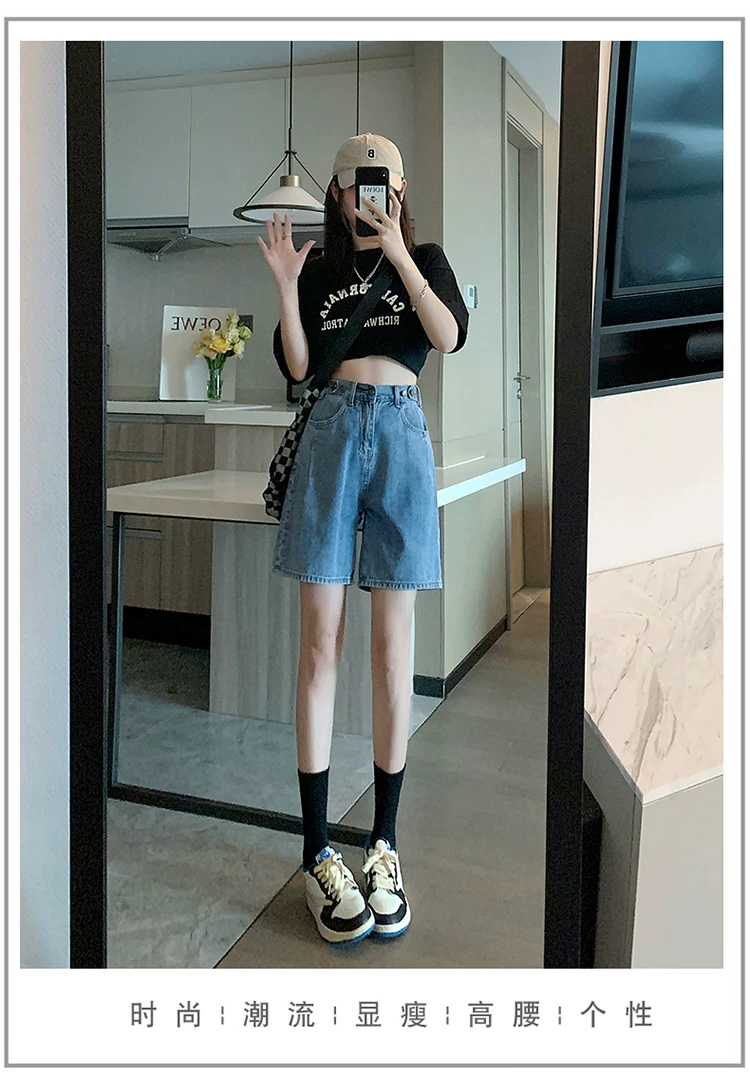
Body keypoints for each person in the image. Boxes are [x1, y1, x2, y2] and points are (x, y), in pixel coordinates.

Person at [258, 133, 469, 945]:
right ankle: (317, 850)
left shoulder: (429, 259)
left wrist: (402, 257)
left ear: (400, 190)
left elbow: (446, 336)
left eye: (381, 185)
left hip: (403, 435)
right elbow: (298, 366)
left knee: (391, 650)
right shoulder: (318, 270)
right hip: (334, 431)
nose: (368, 198)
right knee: (320, 644)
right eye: (355, 186)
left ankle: (384, 844)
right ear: (337, 194)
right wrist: (287, 287)